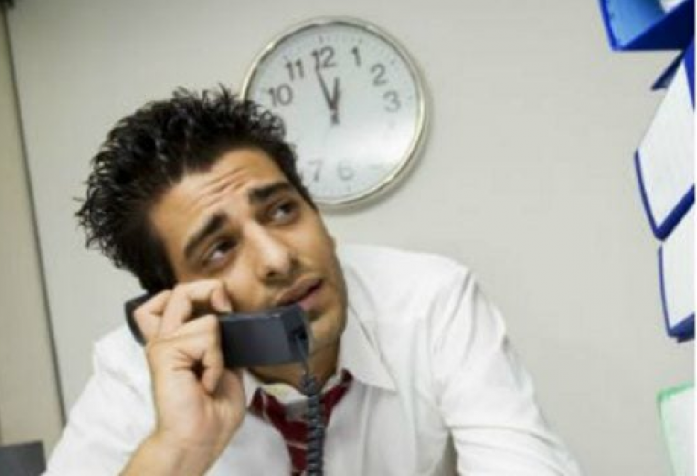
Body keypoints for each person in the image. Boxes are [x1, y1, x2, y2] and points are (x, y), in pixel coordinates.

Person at [44, 88, 581, 475]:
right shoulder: (133, 374)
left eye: (282, 210)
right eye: (220, 248)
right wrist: (179, 449)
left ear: (317, 215)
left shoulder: (429, 301)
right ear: (180, 302)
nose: (278, 258)